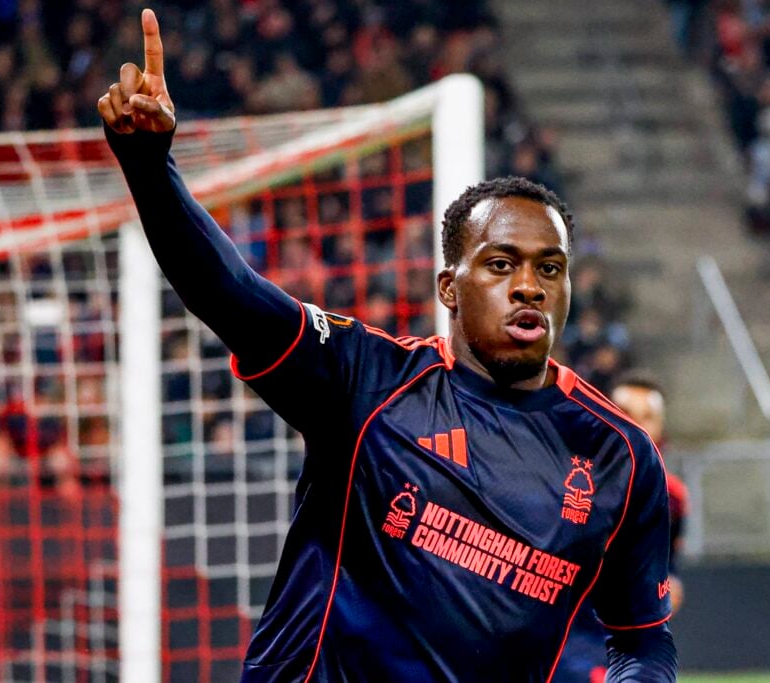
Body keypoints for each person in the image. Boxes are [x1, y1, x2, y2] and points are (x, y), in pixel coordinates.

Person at [98, 10, 676, 682]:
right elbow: (231, 294)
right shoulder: (365, 378)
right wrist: (149, 170)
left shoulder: (619, 453)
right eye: (501, 264)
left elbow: (642, 639)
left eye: (549, 268)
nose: (528, 286)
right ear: (449, 287)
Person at [555, 370, 687, 683]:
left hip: (623, 642)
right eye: (626, 413)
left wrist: (671, 583)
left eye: (648, 416)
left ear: (661, 426)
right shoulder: (567, 478)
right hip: (561, 638)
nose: (638, 425)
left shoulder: (674, 496)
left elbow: (670, 566)